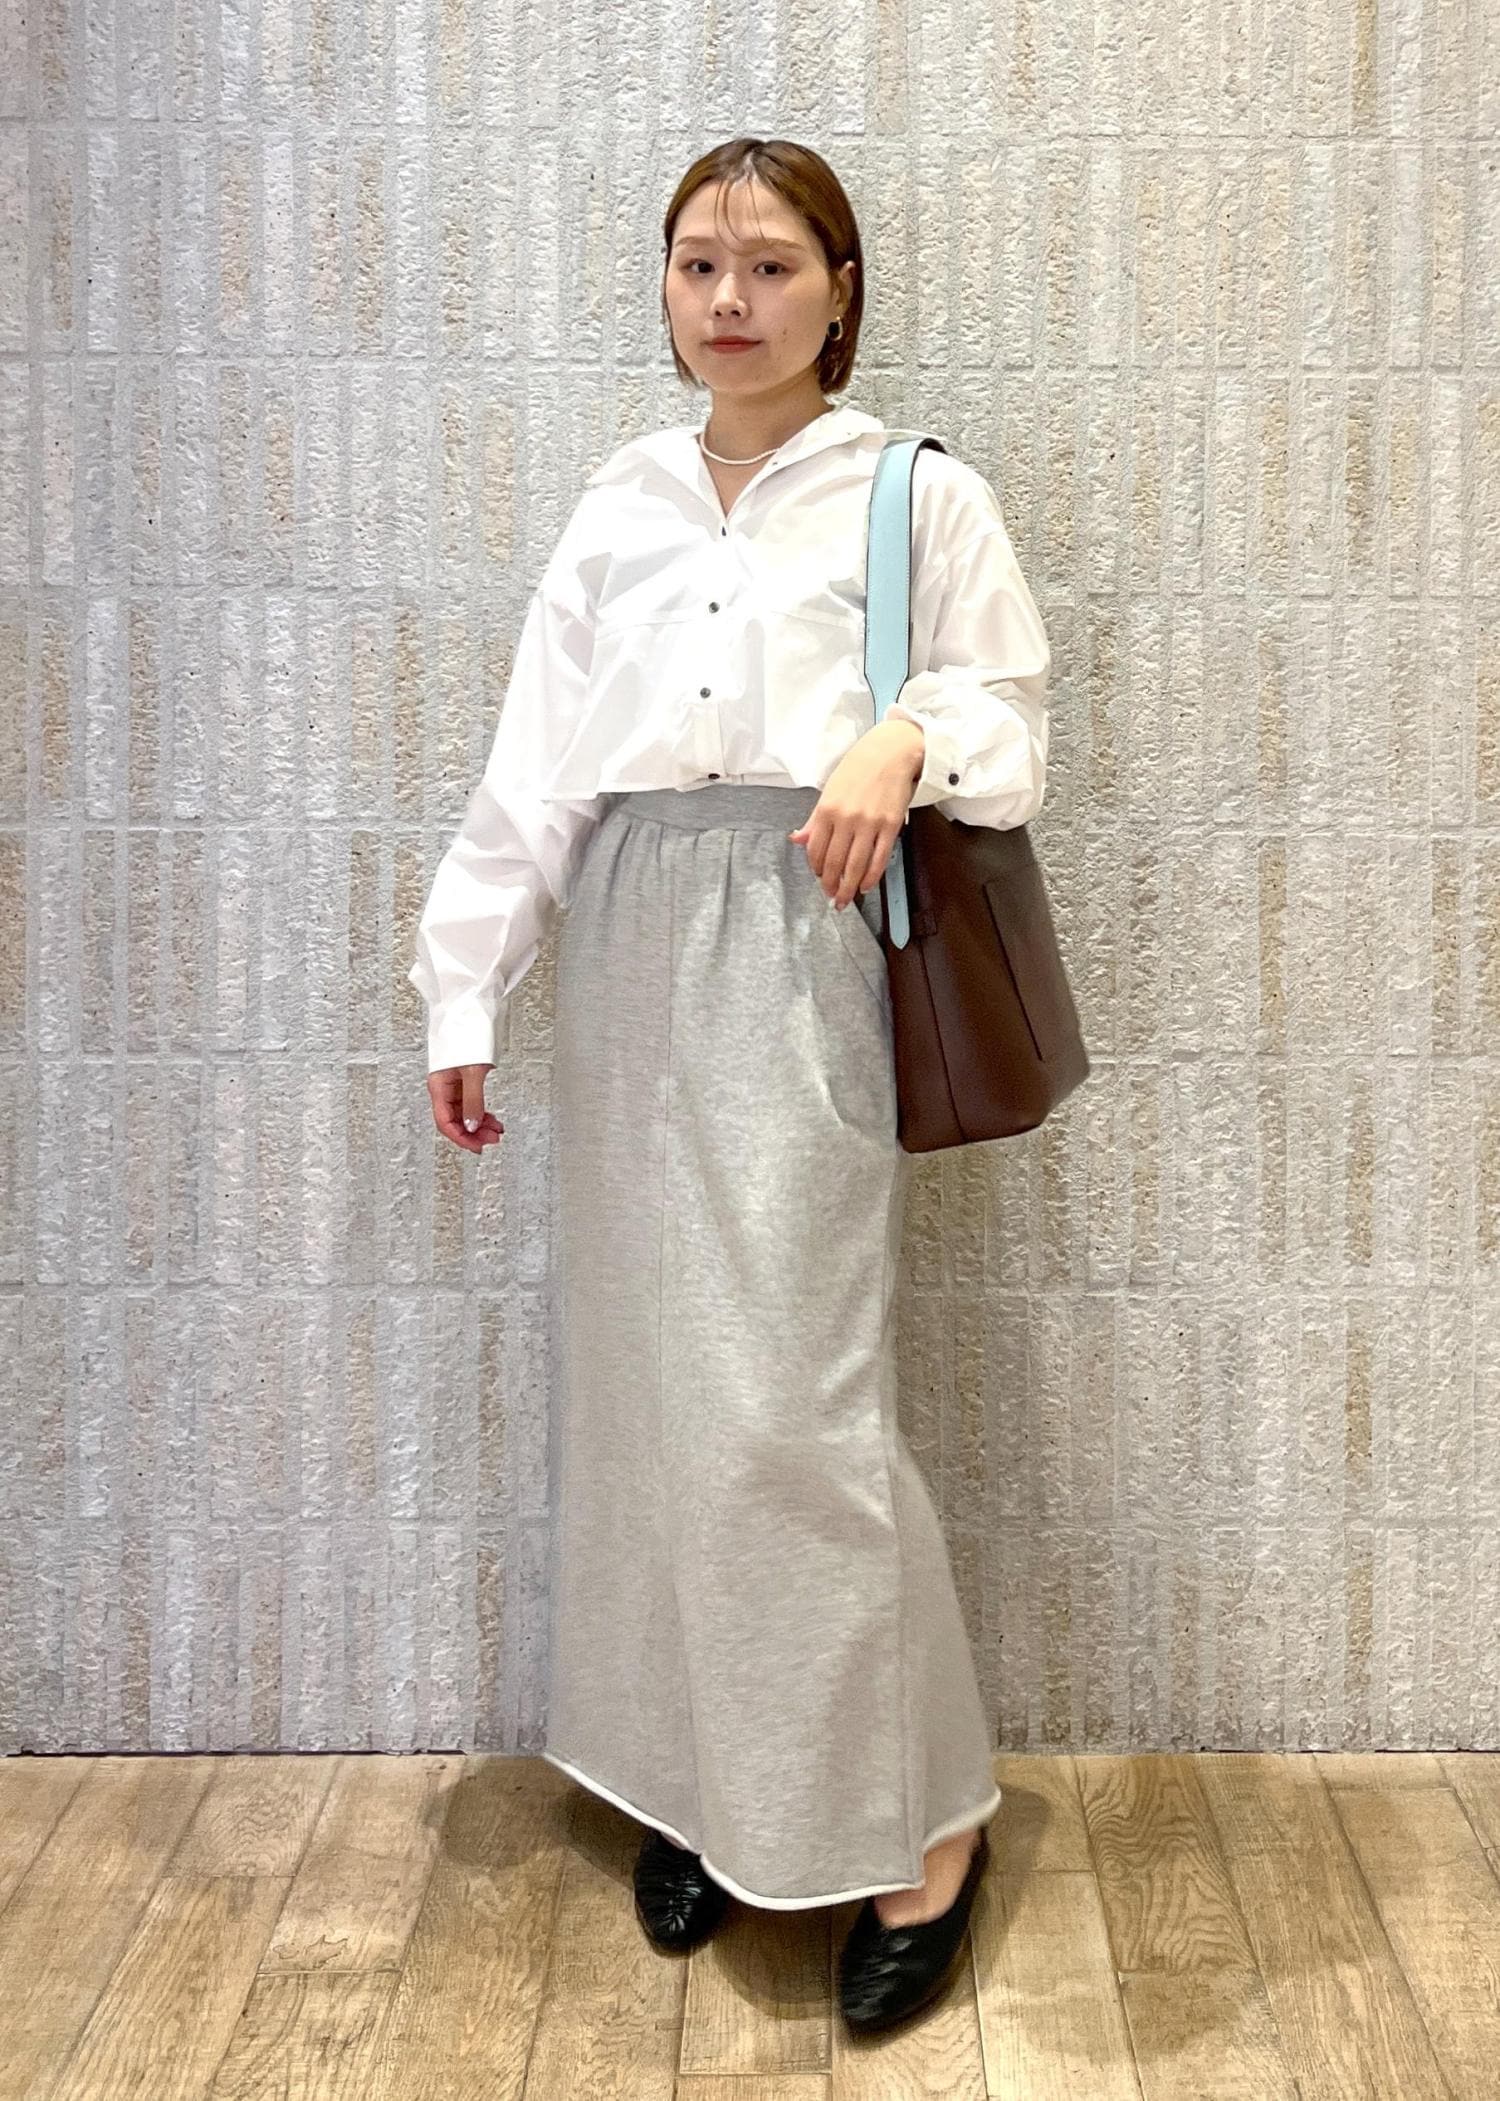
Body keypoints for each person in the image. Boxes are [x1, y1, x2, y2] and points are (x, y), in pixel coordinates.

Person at [407, 136, 1051, 2034]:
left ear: (840, 288)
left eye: (772, 264)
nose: (732, 297)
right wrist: (464, 986)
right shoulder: (619, 500)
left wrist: (900, 739)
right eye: (700, 262)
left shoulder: (915, 491)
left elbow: (1012, 719)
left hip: (807, 935)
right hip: (629, 936)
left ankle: (924, 1826)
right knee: (653, 1393)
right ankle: (705, 1779)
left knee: (790, 1402)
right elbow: (541, 766)